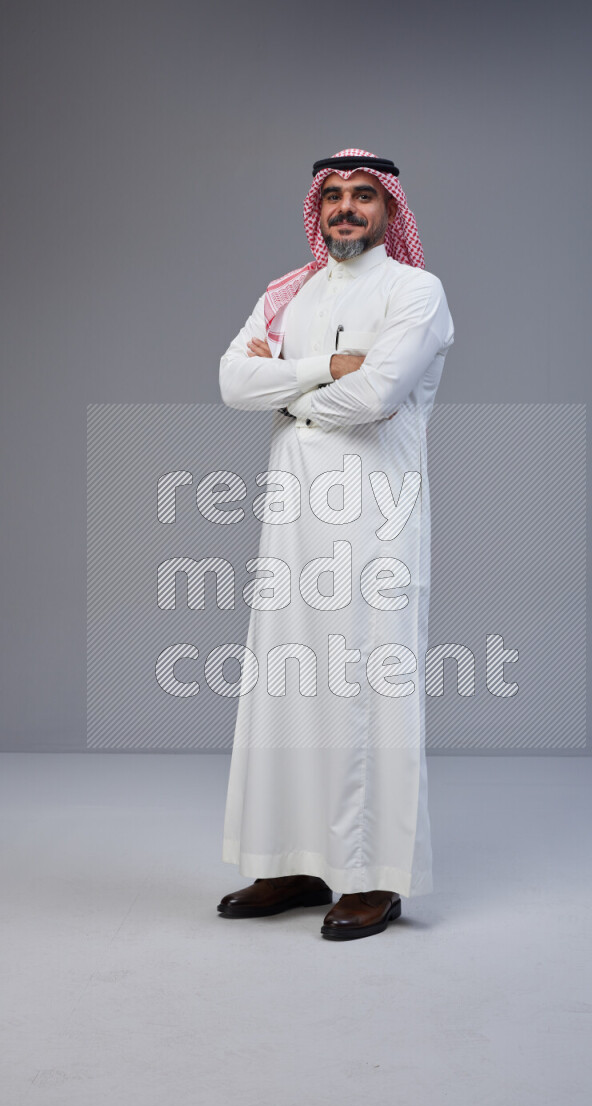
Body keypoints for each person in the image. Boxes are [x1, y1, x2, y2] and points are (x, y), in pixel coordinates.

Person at [216, 148, 454, 940]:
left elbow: (379, 393)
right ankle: (292, 858)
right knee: (287, 681)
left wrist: (292, 394)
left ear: (390, 210)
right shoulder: (289, 292)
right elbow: (230, 382)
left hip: (374, 518)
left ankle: (374, 878)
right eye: (334, 198)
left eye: (363, 196)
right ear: (316, 211)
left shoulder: (416, 291)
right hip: (292, 519)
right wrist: (323, 370)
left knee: (367, 686)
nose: (347, 209)